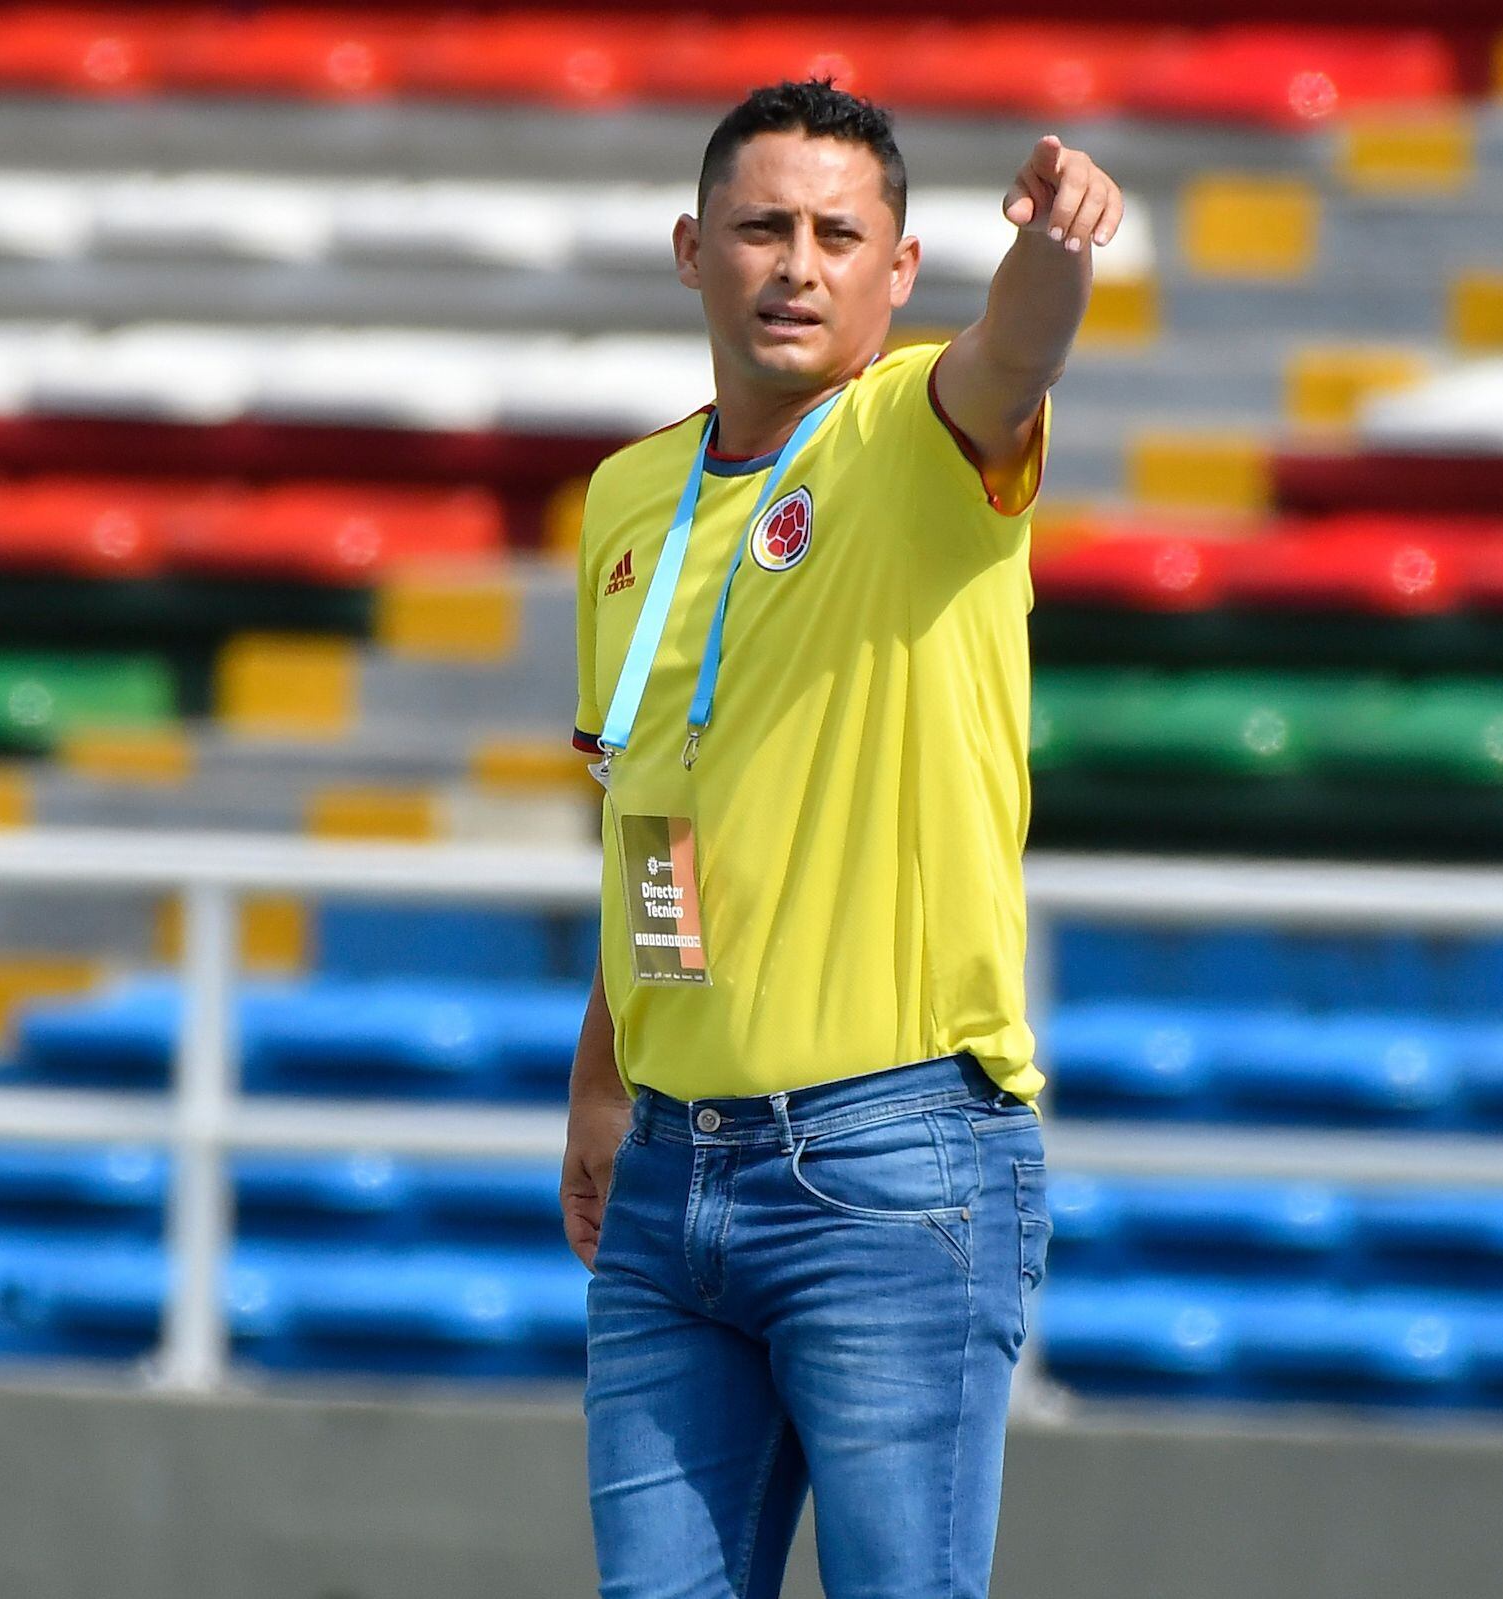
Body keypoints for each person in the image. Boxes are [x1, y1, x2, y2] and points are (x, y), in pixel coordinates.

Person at [559, 77, 1122, 1599]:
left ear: (900, 269)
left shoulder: (911, 433)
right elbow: (649, 811)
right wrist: (605, 1077)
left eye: (834, 232)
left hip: (893, 1161)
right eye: (759, 228)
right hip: (676, 1174)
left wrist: (1061, 245)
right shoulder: (626, 501)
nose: (795, 263)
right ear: (692, 250)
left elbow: (1021, 351)